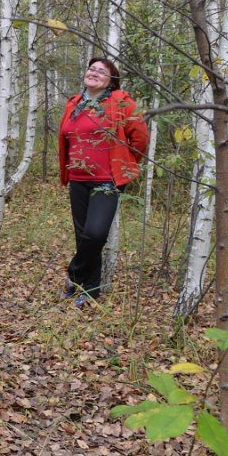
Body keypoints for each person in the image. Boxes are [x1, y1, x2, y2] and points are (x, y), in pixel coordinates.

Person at [58, 56, 149, 307]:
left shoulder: (120, 102)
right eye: (91, 68)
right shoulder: (74, 104)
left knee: (95, 234)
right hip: (77, 178)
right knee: (83, 236)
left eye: (101, 71)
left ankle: (74, 275)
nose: (94, 72)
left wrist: (125, 163)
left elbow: (140, 137)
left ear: (111, 81)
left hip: (107, 180)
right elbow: (65, 137)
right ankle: (90, 290)